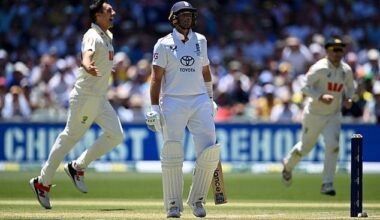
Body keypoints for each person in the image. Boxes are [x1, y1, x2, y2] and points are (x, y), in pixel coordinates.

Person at [29, 0, 123, 209]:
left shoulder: (108, 36)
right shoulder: (91, 35)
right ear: (98, 15)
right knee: (68, 139)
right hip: (86, 97)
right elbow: (87, 57)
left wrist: (107, 68)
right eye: (108, 10)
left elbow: (101, 58)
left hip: (99, 97)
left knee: (116, 135)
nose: (113, 13)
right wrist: (88, 66)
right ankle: (42, 183)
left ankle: (77, 167)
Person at [145, 1, 220, 218]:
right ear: (174, 18)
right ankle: (173, 206)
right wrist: (153, 107)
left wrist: (210, 98)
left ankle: (197, 200)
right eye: (183, 14)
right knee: (172, 152)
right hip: (173, 101)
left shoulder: (201, 41)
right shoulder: (163, 44)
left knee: (209, 151)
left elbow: (205, 72)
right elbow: (156, 78)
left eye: (190, 14)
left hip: (199, 100)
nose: (187, 18)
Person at [281, 38, 355, 196]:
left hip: (333, 115)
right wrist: (320, 96)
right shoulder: (319, 68)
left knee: (333, 146)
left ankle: (327, 183)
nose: (337, 53)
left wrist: (349, 98)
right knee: (306, 147)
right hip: (314, 114)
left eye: (340, 49)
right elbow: (303, 86)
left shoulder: (346, 70)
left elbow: (350, 87)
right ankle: (288, 165)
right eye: (334, 50)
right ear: (327, 51)